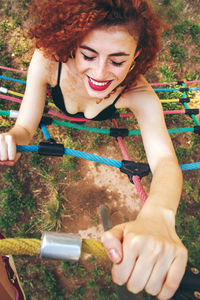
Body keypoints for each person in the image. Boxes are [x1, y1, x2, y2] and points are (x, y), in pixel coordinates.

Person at [0, 0, 188, 299]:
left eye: (117, 60)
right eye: (88, 55)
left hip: (108, 112)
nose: (100, 73)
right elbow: (25, 127)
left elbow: (165, 160)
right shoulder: (48, 62)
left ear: (136, 55)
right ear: (72, 46)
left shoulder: (139, 94)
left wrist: (159, 215)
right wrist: (11, 137)